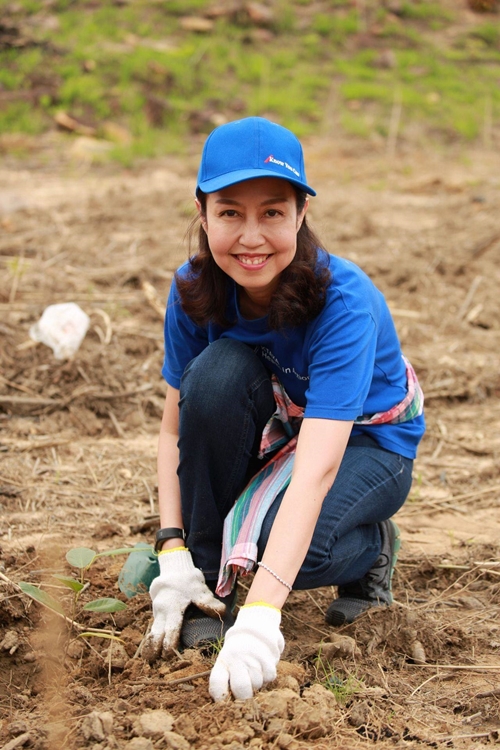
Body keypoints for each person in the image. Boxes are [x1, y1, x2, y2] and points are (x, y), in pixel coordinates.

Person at [143, 116, 425, 702]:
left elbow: (320, 467)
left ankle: (371, 549)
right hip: (285, 427)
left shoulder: (342, 302)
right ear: (202, 213)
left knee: (284, 548)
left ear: (300, 214)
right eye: (230, 212)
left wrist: (264, 614)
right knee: (217, 375)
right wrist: (172, 550)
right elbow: (177, 428)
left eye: (272, 212)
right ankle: (206, 587)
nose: (251, 237)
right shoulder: (194, 288)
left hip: (368, 444)